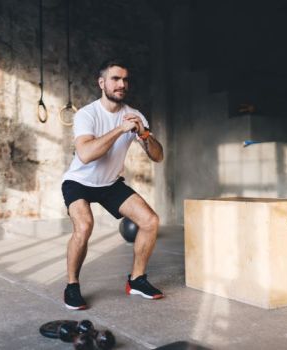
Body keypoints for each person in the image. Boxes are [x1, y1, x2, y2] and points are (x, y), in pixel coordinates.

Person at [61, 58, 164, 310]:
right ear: (102, 82)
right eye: (115, 79)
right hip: (79, 182)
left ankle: (137, 280)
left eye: (125, 79)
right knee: (84, 226)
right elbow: (85, 154)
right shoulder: (87, 114)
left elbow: (158, 156)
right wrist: (120, 130)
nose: (121, 84)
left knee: (150, 221)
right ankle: (72, 285)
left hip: (110, 183)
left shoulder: (135, 114)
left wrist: (144, 134)